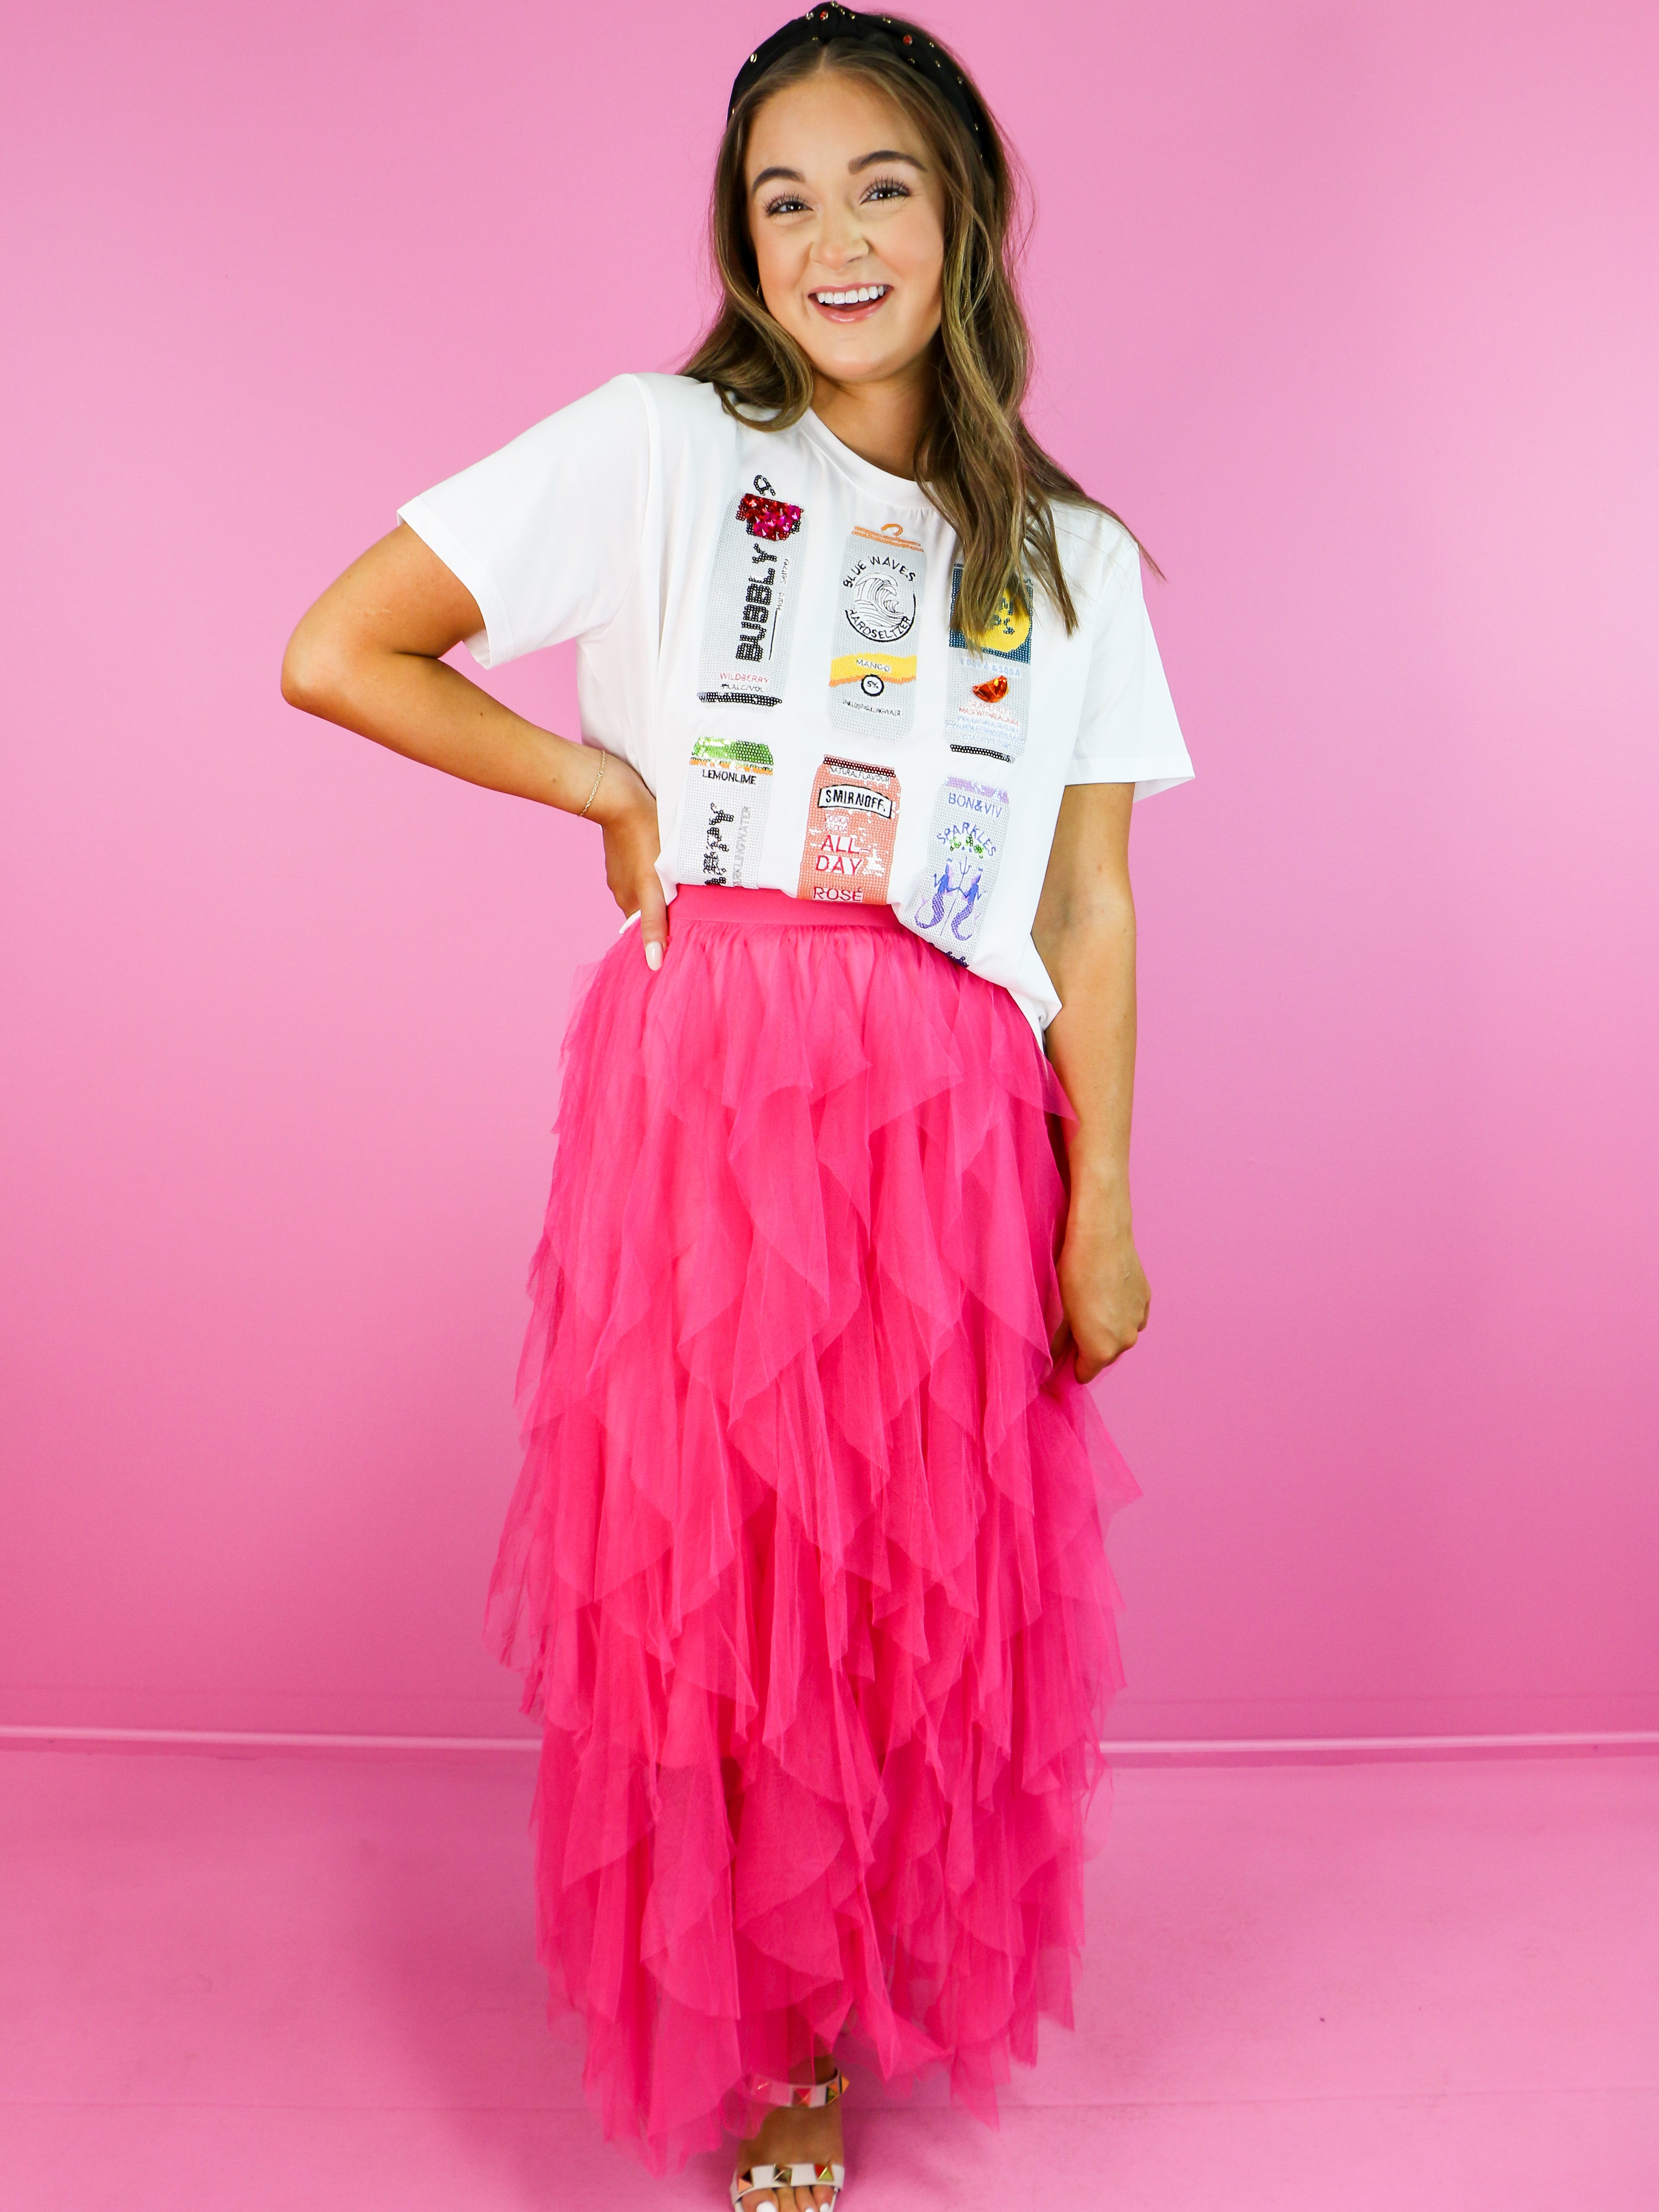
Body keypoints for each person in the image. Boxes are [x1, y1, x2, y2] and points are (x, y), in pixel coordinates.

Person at [281, 9, 1192, 2206]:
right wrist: (596, 778)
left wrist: (1102, 1205)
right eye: (785, 199)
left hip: (957, 1104)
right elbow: (340, 647)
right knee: (732, 1566)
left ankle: (860, 1982)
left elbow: (1087, 903)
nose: (834, 238)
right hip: (716, 1076)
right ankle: (772, 2035)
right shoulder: (663, 449)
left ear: (965, 212)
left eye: (881, 184)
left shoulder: (1071, 560)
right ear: (741, 241)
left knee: (909, 1579)